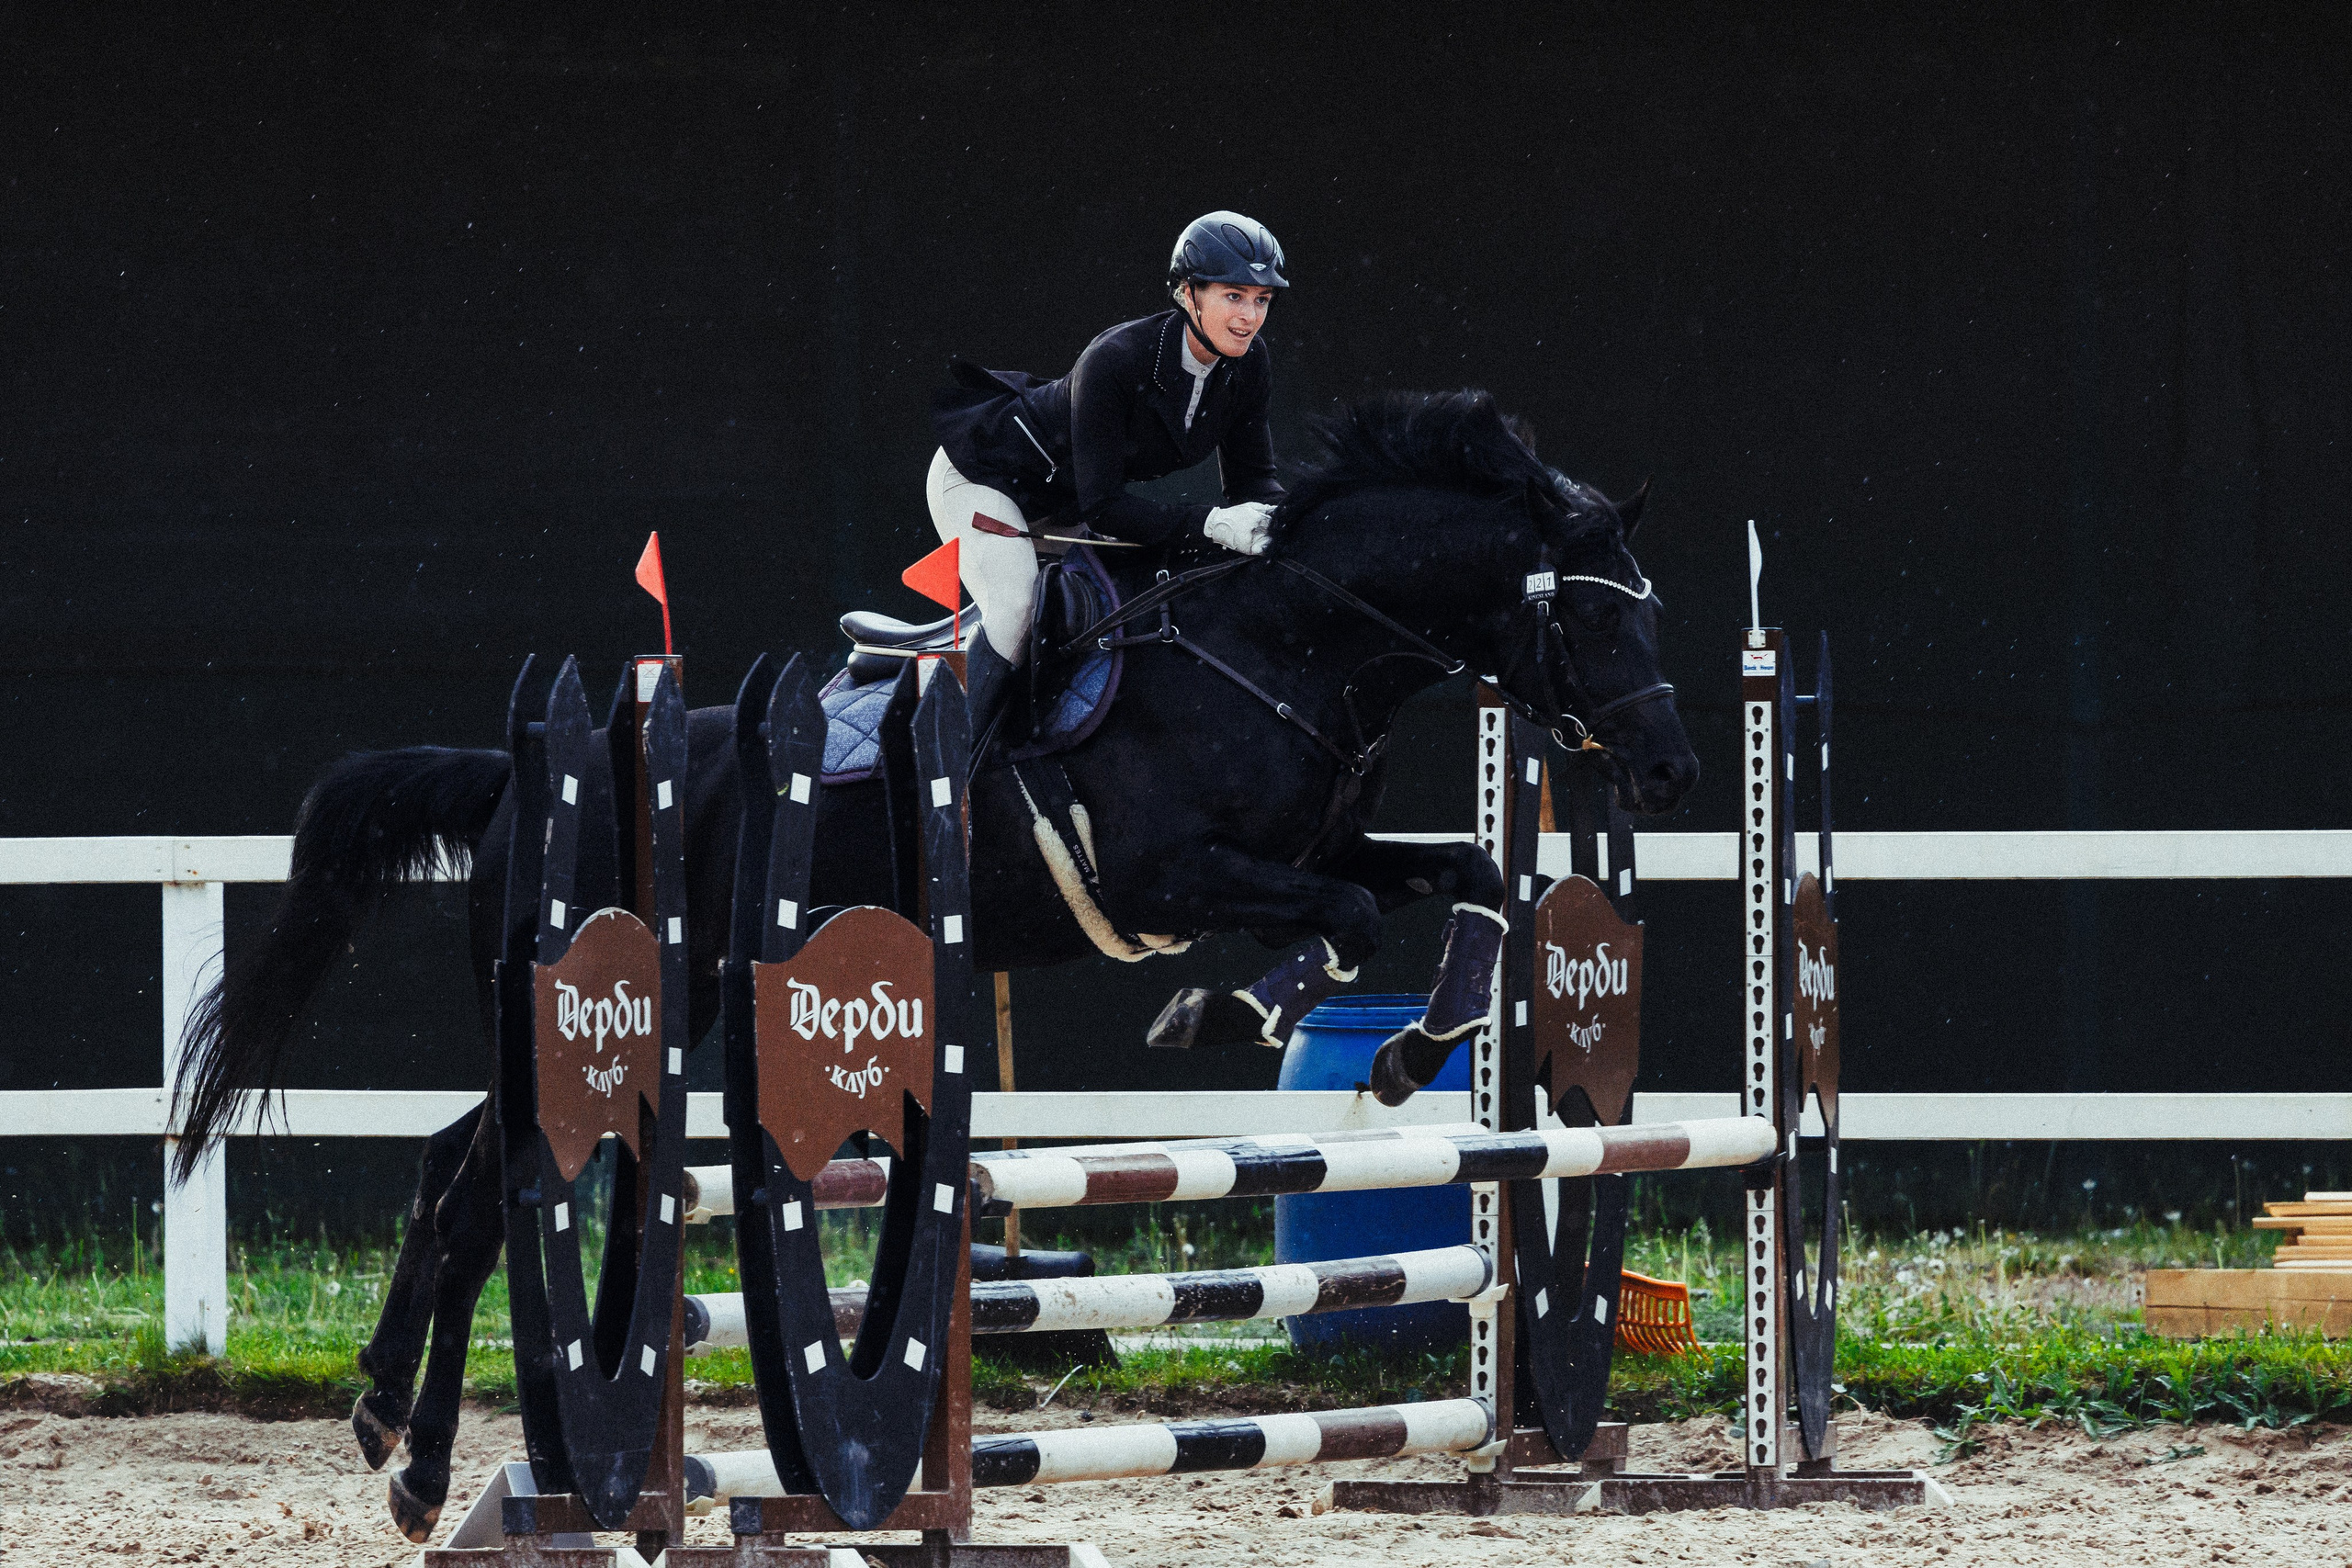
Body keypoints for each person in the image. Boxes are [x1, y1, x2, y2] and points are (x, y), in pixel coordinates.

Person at [926, 209, 1289, 744]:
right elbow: (1105, 506)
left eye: (1262, 300)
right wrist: (1211, 524)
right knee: (1017, 606)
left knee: (1107, 615)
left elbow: (1254, 485)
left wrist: (1302, 524)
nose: (1250, 317)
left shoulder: (1248, 363)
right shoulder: (1116, 359)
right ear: (1188, 294)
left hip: (1063, 505)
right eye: (1233, 296)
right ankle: (956, 772)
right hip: (982, 478)